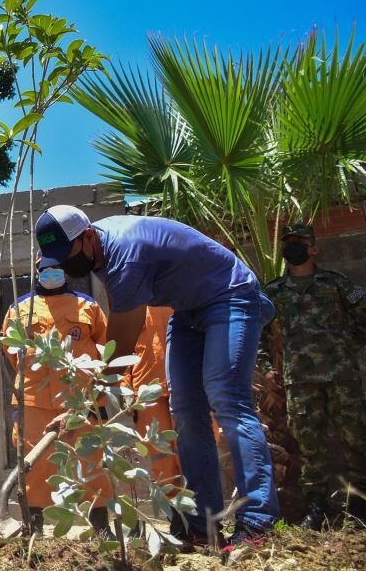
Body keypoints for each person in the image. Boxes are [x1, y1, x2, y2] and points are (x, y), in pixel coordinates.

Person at [35, 205, 278, 550]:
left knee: (226, 397)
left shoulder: (125, 257)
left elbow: (118, 353)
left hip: (230, 294)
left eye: (67, 254)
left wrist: (81, 411)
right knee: (186, 411)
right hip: (187, 308)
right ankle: (202, 525)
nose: (64, 265)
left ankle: (257, 523)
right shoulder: (96, 250)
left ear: (87, 236)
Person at [263, 222, 366, 528]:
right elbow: (259, 334)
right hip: (299, 380)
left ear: (314, 248)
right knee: (308, 446)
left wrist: (345, 346)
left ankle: (359, 505)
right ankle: (315, 508)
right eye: (288, 243)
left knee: (355, 439)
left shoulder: (335, 283)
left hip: (341, 376)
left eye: (299, 242)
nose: (292, 247)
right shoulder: (273, 292)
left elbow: (363, 316)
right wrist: (268, 368)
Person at [2, 255, 112, 533]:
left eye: (56, 269)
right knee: (34, 466)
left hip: (81, 400)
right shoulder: (21, 307)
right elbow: (11, 349)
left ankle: (101, 529)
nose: (50, 274)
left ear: (66, 272)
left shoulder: (88, 306)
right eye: (45, 270)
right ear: (37, 272)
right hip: (34, 400)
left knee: (91, 463)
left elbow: (105, 348)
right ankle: (35, 529)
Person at [122, 306, 183, 508]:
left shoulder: (183, 293)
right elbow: (123, 350)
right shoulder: (132, 304)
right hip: (147, 390)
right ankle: (175, 515)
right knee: (159, 456)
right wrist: (125, 388)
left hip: (187, 385)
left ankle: (201, 515)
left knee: (193, 449)